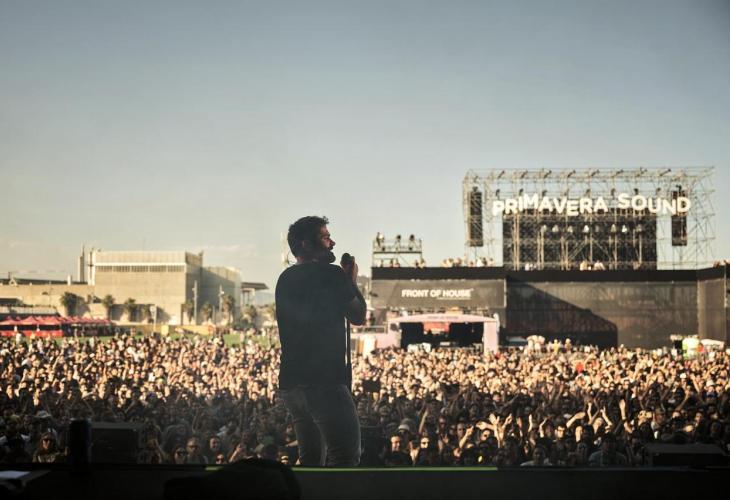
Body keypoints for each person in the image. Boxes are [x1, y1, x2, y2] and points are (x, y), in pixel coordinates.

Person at [276, 216, 367, 466]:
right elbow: (358, 315)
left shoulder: (284, 279)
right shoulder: (330, 274)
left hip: (292, 384)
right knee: (345, 458)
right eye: (325, 237)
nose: (332, 242)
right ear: (306, 244)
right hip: (324, 381)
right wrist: (350, 281)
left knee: (311, 461)